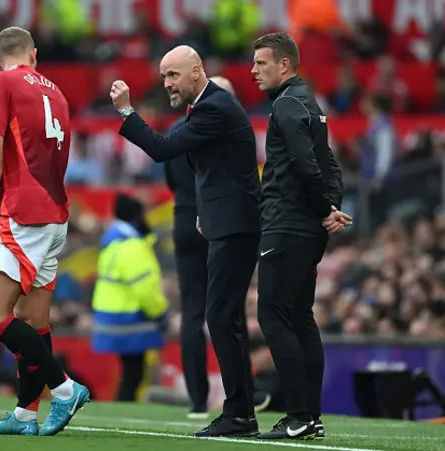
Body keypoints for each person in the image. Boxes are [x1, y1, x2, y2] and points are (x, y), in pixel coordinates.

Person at [111, 45, 262, 438]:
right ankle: (243, 409)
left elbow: (161, 150)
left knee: (220, 316)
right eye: (163, 77)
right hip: (224, 222)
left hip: (234, 225)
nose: (167, 84)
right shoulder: (205, 108)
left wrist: (127, 112)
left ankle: (243, 412)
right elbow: (216, 169)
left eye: (173, 75)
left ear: (197, 70)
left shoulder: (214, 106)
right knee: (222, 317)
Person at [0, 26, 89, 437]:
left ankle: (64, 389)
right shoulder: (57, 92)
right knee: (34, 321)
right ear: (35, 55)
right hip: (56, 212)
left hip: (22, 210)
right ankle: (25, 413)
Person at [250, 32, 351, 440]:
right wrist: (330, 208)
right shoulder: (309, 104)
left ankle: (299, 415)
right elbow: (329, 164)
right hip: (306, 227)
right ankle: (311, 415)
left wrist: (326, 208)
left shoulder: (287, 106)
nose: (254, 70)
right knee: (299, 317)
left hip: (287, 224)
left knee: (273, 316)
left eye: (261, 63)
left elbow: (306, 164)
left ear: (284, 65)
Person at [163, 75, 235, 420]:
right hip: (215, 219)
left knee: (192, 313)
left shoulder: (178, 129)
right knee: (228, 309)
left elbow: (170, 175)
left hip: (182, 218)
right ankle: (241, 394)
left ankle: (196, 401)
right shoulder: (224, 126)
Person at [91, 194, 169, 402]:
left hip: (112, 314)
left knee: (129, 372)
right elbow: (145, 289)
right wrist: (160, 313)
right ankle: (124, 404)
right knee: (134, 373)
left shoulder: (112, 243)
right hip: (131, 318)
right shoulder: (132, 246)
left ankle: (122, 403)